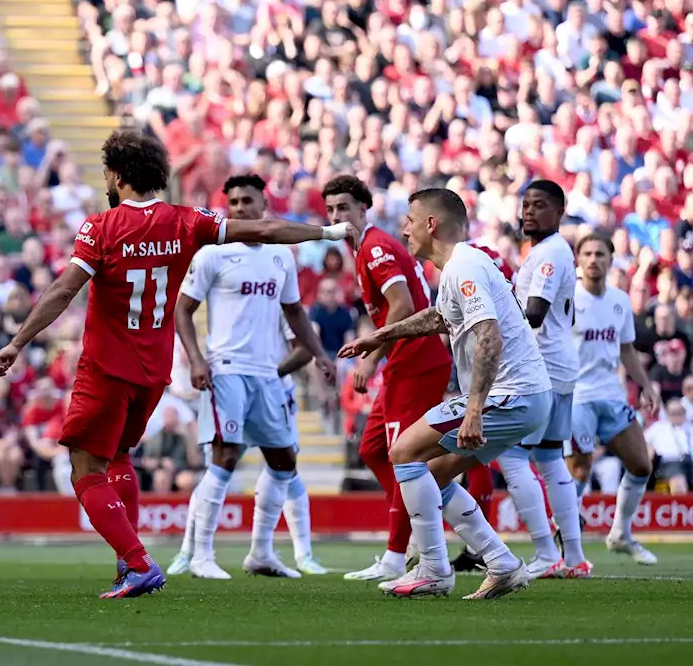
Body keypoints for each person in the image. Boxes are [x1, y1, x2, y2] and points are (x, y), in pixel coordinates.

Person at [0, 129, 355, 599]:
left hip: (106, 367)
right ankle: (128, 564)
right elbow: (264, 231)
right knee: (118, 456)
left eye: (106, 170)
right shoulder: (188, 220)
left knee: (85, 468)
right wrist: (328, 233)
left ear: (118, 175)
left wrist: (18, 342)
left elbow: (63, 291)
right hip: (153, 373)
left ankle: (139, 563)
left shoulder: (100, 228)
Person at [340, 188, 545, 600]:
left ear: (431, 224)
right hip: (526, 395)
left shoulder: (463, 266)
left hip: (510, 394)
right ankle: (502, 564)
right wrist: (380, 335)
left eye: (411, 220)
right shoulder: (460, 266)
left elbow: (489, 334)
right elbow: (438, 317)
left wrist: (473, 409)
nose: (406, 229)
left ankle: (433, 569)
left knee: (402, 452)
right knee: (433, 473)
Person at [166, 174, 335, 580]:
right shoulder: (213, 254)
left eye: (247, 201)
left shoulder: (281, 258)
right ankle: (201, 555)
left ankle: (261, 553)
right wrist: (196, 360)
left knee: (284, 460)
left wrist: (320, 355)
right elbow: (181, 310)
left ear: (264, 206)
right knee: (224, 458)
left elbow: (295, 313)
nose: (240, 208)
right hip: (226, 368)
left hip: (266, 375)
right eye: (234, 202)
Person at [321, 175, 454, 583]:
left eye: (344, 208)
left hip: (414, 360)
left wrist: (370, 357)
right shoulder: (363, 248)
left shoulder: (376, 245)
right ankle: (414, 523)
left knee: (402, 458)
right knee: (373, 448)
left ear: (364, 209)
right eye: (329, 210)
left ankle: (398, 555)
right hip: (404, 360)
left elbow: (404, 303)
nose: (336, 217)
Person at [488, 180, 587, 579]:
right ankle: (574, 557)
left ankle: (547, 552)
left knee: (511, 456)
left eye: (540, 205)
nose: (528, 211)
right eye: (525, 204)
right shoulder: (551, 251)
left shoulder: (548, 254)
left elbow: (533, 314)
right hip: (560, 366)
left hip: (540, 369)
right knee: (548, 458)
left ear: (559, 213)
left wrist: (495, 297)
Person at [567, 233, 661, 565]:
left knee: (640, 464)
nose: (593, 259)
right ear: (578, 260)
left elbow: (625, 350)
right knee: (579, 469)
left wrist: (647, 385)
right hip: (576, 396)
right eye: (587, 254)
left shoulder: (620, 300)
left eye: (600, 254)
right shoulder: (568, 300)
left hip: (611, 393)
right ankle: (563, 540)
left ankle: (620, 533)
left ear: (610, 259)